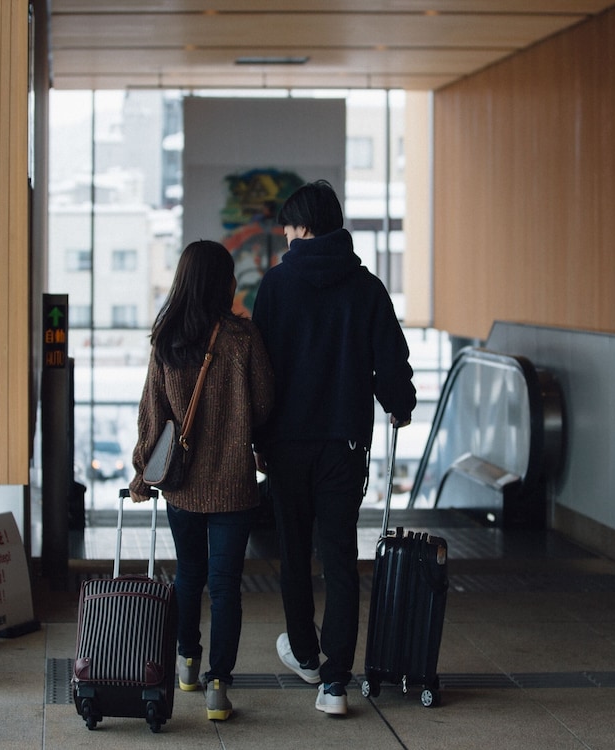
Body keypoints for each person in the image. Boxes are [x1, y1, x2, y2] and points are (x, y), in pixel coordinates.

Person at [252, 180, 416, 716]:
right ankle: (336, 686)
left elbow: (260, 372)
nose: (285, 235)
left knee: (294, 554)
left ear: (303, 227)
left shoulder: (275, 287)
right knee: (341, 560)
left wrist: (256, 438)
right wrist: (400, 403)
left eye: (289, 226)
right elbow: (390, 360)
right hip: (344, 446)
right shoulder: (366, 287)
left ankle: (305, 653)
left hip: (287, 444)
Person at [129, 239, 274, 722]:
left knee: (189, 575)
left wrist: (140, 471)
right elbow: (264, 405)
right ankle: (219, 687)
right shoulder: (242, 338)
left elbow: (152, 415)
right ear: (223, 283)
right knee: (225, 585)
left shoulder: (166, 339)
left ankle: (187, 663)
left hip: (183, 486)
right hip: (233, 484)